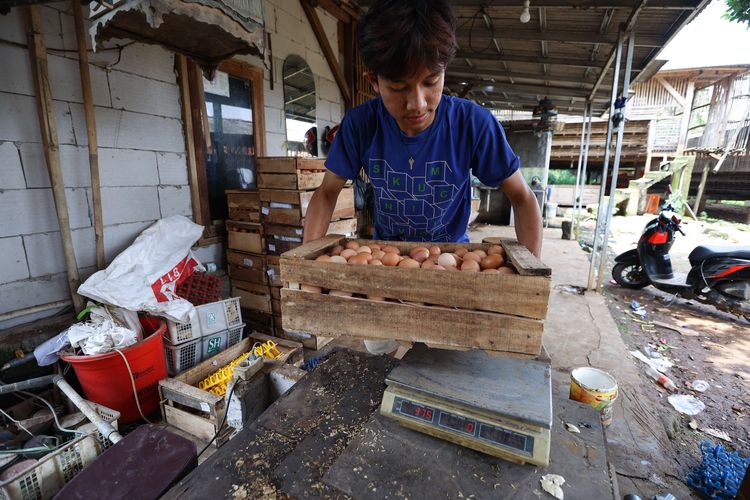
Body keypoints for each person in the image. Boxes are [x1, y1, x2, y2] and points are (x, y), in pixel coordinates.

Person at [303, 0, 543, 355]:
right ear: (374, 80)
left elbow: (523, 198)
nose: (416, 103)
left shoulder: (472, 124)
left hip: (452, 272)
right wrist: (310, 272)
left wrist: (525, 285)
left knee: (442, 368)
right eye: (399, 88)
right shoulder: (360, 125)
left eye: (430, 82)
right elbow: (325, 196)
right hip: (384, 269)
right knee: (380, 360)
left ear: (444, 70)